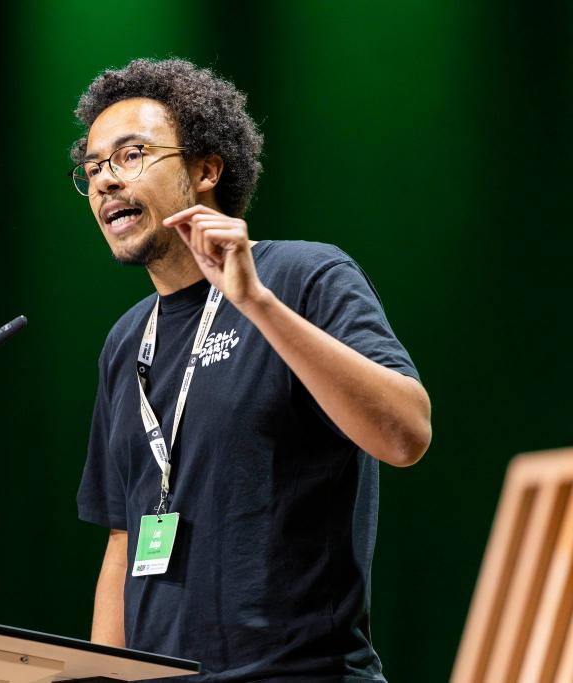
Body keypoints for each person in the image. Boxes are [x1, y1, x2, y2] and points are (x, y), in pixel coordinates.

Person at [72, 58, 431, 683]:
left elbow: (406, 435)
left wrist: (255, 303)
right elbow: (124, 543)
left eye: (130, 155)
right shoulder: (126, 340)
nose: (105, 182)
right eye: (94, 168)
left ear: (207, 168)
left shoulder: (303, 276)